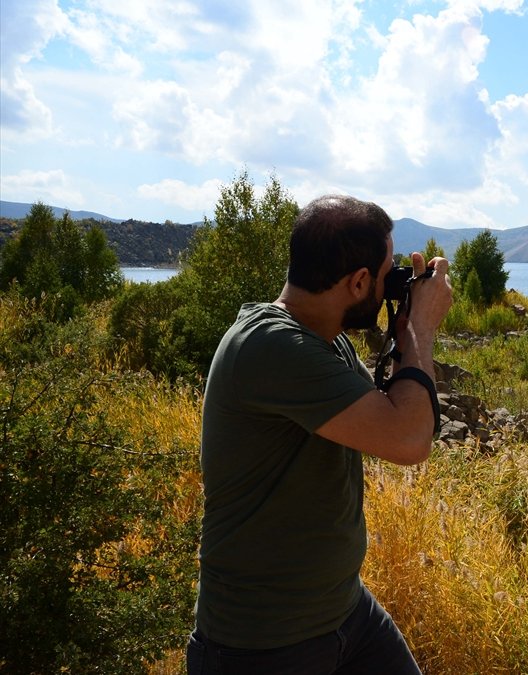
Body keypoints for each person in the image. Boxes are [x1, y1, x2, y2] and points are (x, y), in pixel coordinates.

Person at [187, 195, 452, 674]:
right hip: (263, 643)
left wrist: (405, 321)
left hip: (343, 610)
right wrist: (422, 330)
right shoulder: (270, 347)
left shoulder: (324, 340)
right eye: (386, 272)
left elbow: (385, 414)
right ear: (357, 282)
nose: (393, 281)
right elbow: (409, 439)